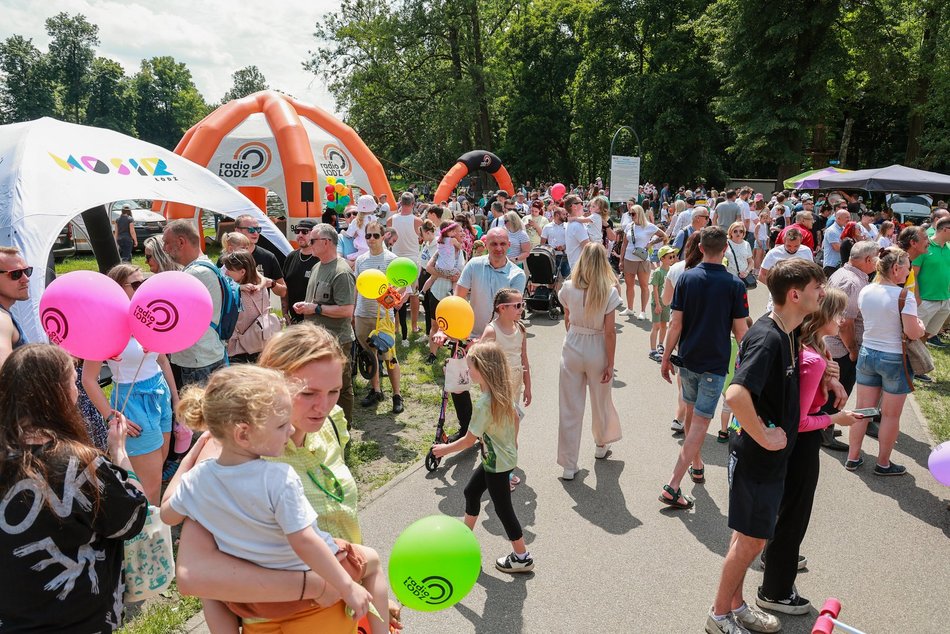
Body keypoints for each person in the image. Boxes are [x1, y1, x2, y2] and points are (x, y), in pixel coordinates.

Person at [168, 323, 403, 632]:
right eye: (308, 393)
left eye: (333, 391)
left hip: (347, 605)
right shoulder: (234, 448)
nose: (324, 405)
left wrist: (366, 592)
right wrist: (318, 585)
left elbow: (337, 516)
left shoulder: (331, 422)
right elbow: (194, 576)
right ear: (271, 386)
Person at [706, 259, 825, 634]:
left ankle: (736, 605)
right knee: (751, 541)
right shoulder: (769, 337)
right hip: (757, 458)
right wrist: (764, 434)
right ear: (795, 295)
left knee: (748, 538)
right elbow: (736, 393)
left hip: (768, 460)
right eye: (816, 287)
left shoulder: (789, 331)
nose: (822, 292)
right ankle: (719, 615)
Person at [0, 344, 148, 632]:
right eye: (72, 383)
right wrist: (119, 454)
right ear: (54, 395)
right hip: (78, 619)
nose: (77, 392)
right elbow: (132, 516)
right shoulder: (80, 464)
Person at [756, 288, 861, 617]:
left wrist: (833, 381)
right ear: (820, 317)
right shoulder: (813, 357)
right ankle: (776, 590)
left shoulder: (807, 346)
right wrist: (835, 418)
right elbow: (800, 421)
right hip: (801, 446)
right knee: (794, 514)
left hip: (794, 444)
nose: (842, 321)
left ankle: (776, 558)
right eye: (837, 314)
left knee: (787, 512)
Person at [660, 227, 749, 509]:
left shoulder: (687, 277)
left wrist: (665, 355)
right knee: (699, 421)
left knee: (690, 410)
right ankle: (673, 484)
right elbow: (741, 331)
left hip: (687, 357)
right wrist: (749, 362)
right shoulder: (735, 284)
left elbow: (676, 323)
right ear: (725, 250)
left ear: (700, 248)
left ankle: (696, 464)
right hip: (715, 361)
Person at [431, 342, 534, 574]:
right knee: (471, 492)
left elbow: (469, 440)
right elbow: (517, 418)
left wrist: (443, 450)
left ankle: (522, 556)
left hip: (496, 463)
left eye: (471, 367)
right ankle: (465, 540)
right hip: (499, 459)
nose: (468, 371)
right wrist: (512, 443)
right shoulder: (502, 393)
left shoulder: (484, 404)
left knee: (503, 509)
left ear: (484, 370)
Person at [80, 264, 178, 505]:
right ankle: (144, 535)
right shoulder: (106, 327)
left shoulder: (149, 317)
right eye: (136, 285)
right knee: (148, 483)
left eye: (144, 283)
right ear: (117, 289)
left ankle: (153, 530)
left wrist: (175, 398)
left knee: (158, 468)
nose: (142, 289)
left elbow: (162, 360)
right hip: (130, 401)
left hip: (159, 394)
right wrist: (110, 417)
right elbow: (87, 378)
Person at [846, 247, 927, 476]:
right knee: (890, 416)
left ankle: (853, 457)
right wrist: (920, 327)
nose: (908, 273)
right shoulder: (904, 296)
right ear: (895, 268)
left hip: (867, 353)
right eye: (907, 269)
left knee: (862, 409)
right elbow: (912, 332)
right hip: (894, 359)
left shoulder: (866, 290)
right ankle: (883, 463)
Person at [557, 243, 622, 480]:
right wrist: (610, 362)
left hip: (573, 342)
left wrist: (573, 335)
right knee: (600, 400)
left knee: (569, 407)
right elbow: (610, 331)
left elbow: (567, 318)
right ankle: (600, 444)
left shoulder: (567, 287)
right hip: (596, 345)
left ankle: (568, 464)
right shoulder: (609, 291)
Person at [294, 223, 357, 425]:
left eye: (313, 240)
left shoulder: (341, 272)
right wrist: (306, 306)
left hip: (337, 340)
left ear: (327, 242)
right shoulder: (317, 266)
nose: (308, 243)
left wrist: (316, 309)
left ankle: (343, 429)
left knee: (340, 386)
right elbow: (315, 301)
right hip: (317, 340)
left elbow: (347, 310)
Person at [820, 241, 879, 450]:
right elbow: (845, 322)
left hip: (837, 346)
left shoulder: (846, 274)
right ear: (868, 260)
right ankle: (823, 433)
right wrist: (853, 350)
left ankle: (825, 426)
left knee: (833, 388)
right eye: (877, 257)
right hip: (841, 348)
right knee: (837, 390)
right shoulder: (852, 282)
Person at [162, 220, 226, 387]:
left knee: (194, 411)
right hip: (208, 351)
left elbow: (172, 314)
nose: (164, 249)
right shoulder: (206, 266)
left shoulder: (194, 273)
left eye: (167, 243)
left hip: (196, 359)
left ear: (181, 242)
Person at [353, 222, 404, 413]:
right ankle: (376, 391)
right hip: (362, 314)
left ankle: (397, 395)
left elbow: (402, 285)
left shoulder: (392, 259)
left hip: (383, 317)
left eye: (375, 235)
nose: (371, 239)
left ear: (384, 236)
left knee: (390, 356)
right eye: (368, 236)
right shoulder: (361, 260)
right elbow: (358, 287)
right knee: (369, 356)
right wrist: (352, 311)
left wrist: (394, 298)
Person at [221, 251, 278, 364]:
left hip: (240, 349)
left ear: (242, 272)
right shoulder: (262, 286)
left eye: (229, 269)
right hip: (264, 344)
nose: (226, 272)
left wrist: (238, 288)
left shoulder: (236, 294)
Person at [386, 192, 424, 335]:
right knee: (414, 294)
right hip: (412, 262)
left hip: (395, 260)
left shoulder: (390, 220)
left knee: (394, 293)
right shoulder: (418, 221)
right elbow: (422, 239)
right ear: (413, 204)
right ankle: (414, 326)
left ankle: (395, 327)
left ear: (400, 203)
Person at [620, 204, 666, 319]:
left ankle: (643, 311)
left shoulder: (649, 226)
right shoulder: (629, 226)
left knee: (644, 286)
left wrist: (651, 243)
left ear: (639, 213)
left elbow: (664, 236)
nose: (631, 216)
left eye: (633, 213)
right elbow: (624, 244)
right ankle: (630, 309)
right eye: (630, 213)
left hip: (643, 260)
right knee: (629, 286)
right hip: (628, 259)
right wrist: (621, 260)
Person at [911, 216, 950, 349]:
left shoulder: (948, 248)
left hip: (944, 300)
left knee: (928, 334)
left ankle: (919, 360)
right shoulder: (924, 248)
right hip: (925, 300)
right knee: (915, 335)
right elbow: (913, 274)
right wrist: (917, 297)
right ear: (945, 229)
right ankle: (913, 363)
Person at [231, 215, 287, 298]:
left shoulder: (268, 257)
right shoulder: (227, 258)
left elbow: (283, 291)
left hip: (260, 309)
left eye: (258, 229)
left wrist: (272, 283)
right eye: (251, 229)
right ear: (237, 230)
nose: (255, 233)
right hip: (234, 309)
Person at [759, 229, 814, 310]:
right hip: (779, 297)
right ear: (784, 241)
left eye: (796, 246)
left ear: (801, 241)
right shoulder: (773, 254)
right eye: (789, 246)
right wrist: (776, 288)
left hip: (799, 297)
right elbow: (762, 275)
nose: (792, 249)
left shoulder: (806, 251)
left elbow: (812, 272)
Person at [281, 218, 319, 324]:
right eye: (297, 231)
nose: (300, 235)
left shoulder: (321, 258)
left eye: (305, 232)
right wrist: (285, 312)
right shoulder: (291, 257)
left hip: (316, 321)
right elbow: (285, 288)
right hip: (294, 320)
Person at [0, 245, 30, 367]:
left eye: (27, 271)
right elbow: (3, 374)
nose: (26, 279)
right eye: (16, 274)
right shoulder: (2, 319)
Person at [648, 245, 677, 362]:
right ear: (662, 258)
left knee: (664, 325)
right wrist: (658, 305)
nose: (672, 259)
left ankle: (661, 345)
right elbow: (655, 289)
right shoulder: (658, 272)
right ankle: (652, 350)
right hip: (657, 304)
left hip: (667, 304)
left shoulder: (672, 271)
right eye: (670, 257)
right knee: (656, 326)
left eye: (673, 256)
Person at [422, 221, 463, 294]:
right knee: (456, 275)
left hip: (439, 267)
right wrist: (448, 277)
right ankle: (452, 291)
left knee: (432, 278)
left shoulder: (441, 241)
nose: (463, 233)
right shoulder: (452, 242)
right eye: (460, 231)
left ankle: (423, 291)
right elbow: (429, 268)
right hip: (438, 291)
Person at [540, 206, 570, 279]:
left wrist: (564, 247)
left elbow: (571, 241)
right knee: (551, 279)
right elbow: (542, 244)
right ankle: (552, 291)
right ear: (557, 215)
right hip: (552, 257)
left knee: (567, 279)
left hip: (565, 256)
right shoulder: (547, 227)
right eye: (564, 214)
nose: (566, 216)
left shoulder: (568, 226)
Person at [563, 195, 590, 271]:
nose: (583, 205)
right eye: (581, 203)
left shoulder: (573, 222)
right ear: (574, 206)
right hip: (582, 267)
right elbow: (588, 247)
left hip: (577, 266)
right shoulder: (577, 225)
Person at [821, 209, 851, 277]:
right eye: (846, 217)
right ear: (838, 218)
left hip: (840, 265)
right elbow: (837, 248)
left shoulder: (844, 229)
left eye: (849, 217)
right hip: (832, 266)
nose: (849, 219)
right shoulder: (831, 230)